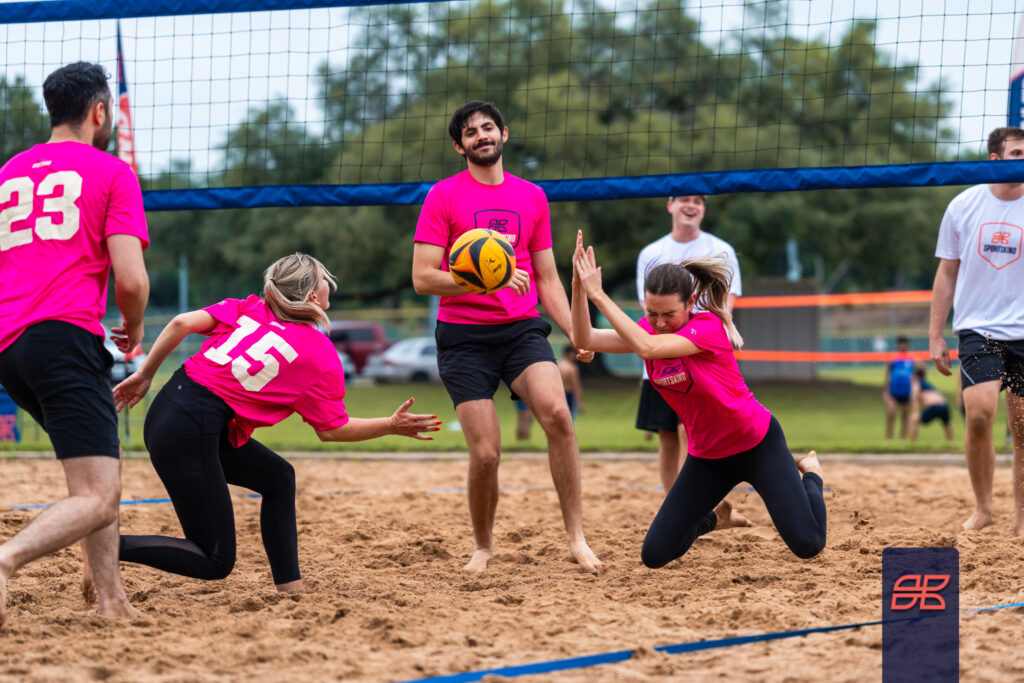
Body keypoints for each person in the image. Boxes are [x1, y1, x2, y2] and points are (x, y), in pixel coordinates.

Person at [108, 254, 441, 592]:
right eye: (324, 280)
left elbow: (181, 322)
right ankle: (106, 546)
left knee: (278, 478)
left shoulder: (251, 307)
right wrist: (391, 425)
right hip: (191, 429)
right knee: (214, 559)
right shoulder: (319, 354)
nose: (330, 284)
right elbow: (331, 430)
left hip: (170, 408)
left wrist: (145, 375)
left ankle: (290, 589)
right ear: (313, 296)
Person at [411, 101, 600, 573]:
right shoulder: (442, 196)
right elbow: (423, 278)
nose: (481, 136)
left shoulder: (532, 196)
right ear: (460, 146)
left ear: (504, 134)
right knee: (486, 454)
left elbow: (547, 278)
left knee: (558, 415)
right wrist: (483, 280)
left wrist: (576, 332)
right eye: (470, 132)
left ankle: (577, 539)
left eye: (488, 127)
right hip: (463, 337)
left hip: (520, 330)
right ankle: (483, 546)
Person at [571, 231, 826, 567]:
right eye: (652, 313)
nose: (660, 323)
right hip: (708, 456)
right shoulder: (646, 330)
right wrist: (579, 288)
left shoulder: (707, 327)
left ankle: (811, 471)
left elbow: (648, 347)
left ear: (691, 303)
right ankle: (714, 519)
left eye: (669, 314)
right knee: (655, 555)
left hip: (756, 444)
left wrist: (599, 295)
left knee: (808, 543)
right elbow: (584, 336)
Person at [0, 62, 149, 629]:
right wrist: (133, 326)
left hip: (10, 347)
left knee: (99, 471)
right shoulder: (111, 172)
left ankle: (111, 599)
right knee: (99, 495)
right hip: (63, 336)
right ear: (99, 111)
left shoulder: (8, 173)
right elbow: (130, 280)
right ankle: (6, 560)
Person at [929, 125, 1024, 534]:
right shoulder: (964, 205)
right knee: (981, 414)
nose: (1023, 159)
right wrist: (935, 335)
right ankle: (983, 509)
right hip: (978, 329)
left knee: (1022, 426)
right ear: (995, 160)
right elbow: (946, 273)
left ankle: (1022, 517)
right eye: (1017, 153)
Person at [635, 195, 741, 492]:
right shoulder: (651, 253)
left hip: (700, 358)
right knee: (667, 435)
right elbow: (651, 311)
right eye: (684, 199)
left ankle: (695, 501)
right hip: (660, 358)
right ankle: (674, 503)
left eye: (697, 201)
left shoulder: (721, 250)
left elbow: (725, 308)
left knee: (690, 432)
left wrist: (693, 340)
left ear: (704, 209)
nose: (690, 205)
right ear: (670, 205)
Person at [909, 365, 954, 442]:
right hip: (944, 405)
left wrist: (915, 412)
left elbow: (915, 400)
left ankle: (912, 442)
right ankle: (950, 441)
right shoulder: (928, 384)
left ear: (915, 376)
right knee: (947, 424)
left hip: (934, 406)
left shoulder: (916, 384)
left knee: (913, 419)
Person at [883, 336, 915, 440]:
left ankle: (902, 438)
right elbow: (887, 375)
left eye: (905, 343)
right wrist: (885, 391)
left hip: (907, 391)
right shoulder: (893, 358)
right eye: (901, 344)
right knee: (891, 414)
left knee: (905, 416)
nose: (903, 346)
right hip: (894, 391)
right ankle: (889, 438)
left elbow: (917, 374)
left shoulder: (912, 358)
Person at [558, 345, 583, 421]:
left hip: (558, 394)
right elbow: (575, 386)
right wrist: (579, 402)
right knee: (569, 419)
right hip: (569, 395)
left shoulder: (558, 365)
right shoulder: (572, 368)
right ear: (570, 354)